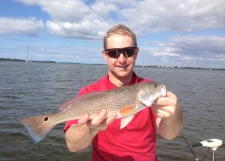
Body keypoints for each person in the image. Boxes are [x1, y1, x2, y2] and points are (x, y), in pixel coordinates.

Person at [64, 24, 183, 160]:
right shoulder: (89, 92)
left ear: (136, 53)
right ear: (105, 55)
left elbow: (170, 135)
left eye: (128, 51)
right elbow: (72, 145)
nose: (121, 59)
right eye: (114, 53)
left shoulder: (149, 89)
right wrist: (91, 128)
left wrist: (174, 114)